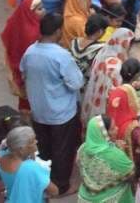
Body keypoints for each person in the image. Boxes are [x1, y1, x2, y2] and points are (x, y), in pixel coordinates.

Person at [20, 12, 84, 194]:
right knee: (62, 150)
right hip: (61, 113)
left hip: (39, 110)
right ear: (57, 32)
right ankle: (61, 186)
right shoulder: (61, 55)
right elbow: (77, 82)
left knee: (44, 148)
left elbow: (23, 74)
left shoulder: (30, 52)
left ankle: (45, 181)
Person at [76, 116, 135, 203]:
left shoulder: (82, 148)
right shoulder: (115, 155)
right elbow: (131, 174)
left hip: (86, 196)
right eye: (112, 129)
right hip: (108, 197)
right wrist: (121, 152)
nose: (117, 129)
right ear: (104, 134)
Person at [1, 0, 43, 111]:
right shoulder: (34, 32)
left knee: (24, 101)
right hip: (30, 74)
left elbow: (7, 42)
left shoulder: (14, 21)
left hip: (17, 70)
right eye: (39, 9)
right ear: (30, 12)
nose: (44, 11)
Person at [0, 126, 58, 202]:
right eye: (32, 141)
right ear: (22, 149)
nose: (36, 141)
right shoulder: (31, 167)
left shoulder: (1, 157)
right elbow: (54, 191)